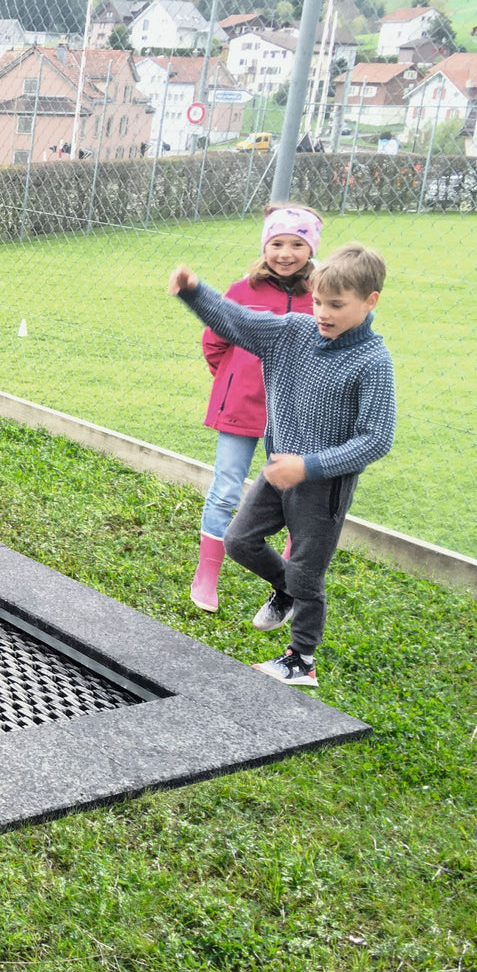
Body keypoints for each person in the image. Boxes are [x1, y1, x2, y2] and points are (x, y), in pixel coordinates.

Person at [169, 243, 395, 687]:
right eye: (317, 301)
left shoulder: (372, 362)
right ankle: (284, 588)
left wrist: (308, 466)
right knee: (239, 541)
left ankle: (301, 660)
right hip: (277, 473)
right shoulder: (292, 332)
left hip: (322, 486)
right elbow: (237, 320)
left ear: (371, 301)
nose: (323, 313)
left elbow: (376, 439)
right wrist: (195, 292)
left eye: (336, 305)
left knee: (309, 574)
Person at [190, 204, 320, 613]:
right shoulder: (241, 290)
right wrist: (234, 378)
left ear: (311, 249)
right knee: (226, 487)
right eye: (277, 243)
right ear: (265, 246)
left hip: (294, 416)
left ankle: (288, 582)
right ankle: (206, 575)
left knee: (293, 495)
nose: (285, 253)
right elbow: (215, 343)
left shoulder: (320, 293)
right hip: (240, 408)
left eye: (297, 244)